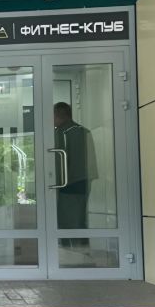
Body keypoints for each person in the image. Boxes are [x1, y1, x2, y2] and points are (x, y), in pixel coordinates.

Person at [53, 102, 97, 239]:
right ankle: (82, 245)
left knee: (66, 219)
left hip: (66, 183)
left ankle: (70, 246)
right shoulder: (84, 131)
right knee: (80, 217)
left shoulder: (61, 133)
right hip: (83, 181)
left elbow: (57, 161)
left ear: (59, 116)